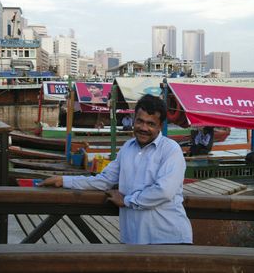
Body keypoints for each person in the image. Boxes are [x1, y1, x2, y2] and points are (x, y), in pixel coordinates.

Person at [39, 94, 192, 245]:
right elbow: (104, 180)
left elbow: (164, 191)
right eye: (140, 121)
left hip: (169, 239)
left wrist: (126, 200)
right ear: (133, 120)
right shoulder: (127, 148)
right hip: (135, 239)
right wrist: (63, 180)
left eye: (151, 124)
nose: (144, 128)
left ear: (160, 126)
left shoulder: (171, 150)